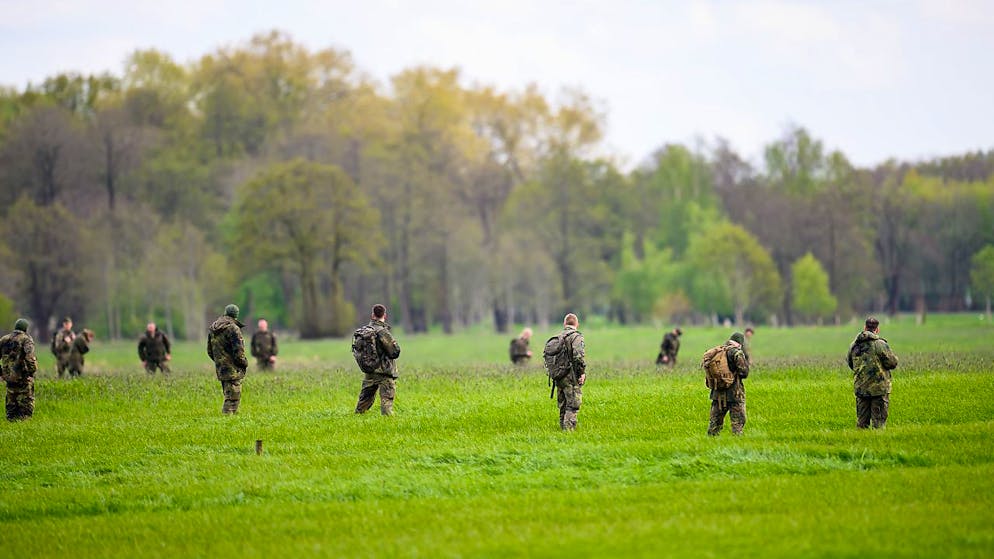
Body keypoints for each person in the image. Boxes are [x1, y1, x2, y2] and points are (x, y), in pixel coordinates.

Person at [847, 316, 899, 429]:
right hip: (879, 390)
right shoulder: (880, 345)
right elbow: (892, 363)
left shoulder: (853, 345)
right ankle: (878, 444)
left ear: (865, 327)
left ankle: (859, 444)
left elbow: (851, 364)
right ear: (877, 329)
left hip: (861, 389)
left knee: (861, 424)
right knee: (879, 424)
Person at [354, 304, 401, 416]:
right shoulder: (382, 332)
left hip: (369, 371)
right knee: (386, 402)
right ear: (384, 315)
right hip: (384, 372)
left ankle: (356, 421)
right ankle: (388, 424)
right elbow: (395, 352)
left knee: (363, 403)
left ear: (372, 315)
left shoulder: (365, 331)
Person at [207, 304, 249, 415]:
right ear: (236, 315)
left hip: (221, 367)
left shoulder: (213, 328)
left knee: (228, 394)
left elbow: (209, 350)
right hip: (232, 368)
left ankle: (231, 420)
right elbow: (238, 351)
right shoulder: (233, 328)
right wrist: (244, 363)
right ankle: (226, 420)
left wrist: (220, 361)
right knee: (233, 398)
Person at [707, 332, 750, 436]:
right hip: (734, 393)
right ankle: (738, 444)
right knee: (737, 424)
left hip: (718, 393)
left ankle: (710, 443)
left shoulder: (718, 352)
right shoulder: (736, 353)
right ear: (740, 344)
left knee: (714, 424)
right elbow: (744, 372)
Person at [553, 313, 586, 431]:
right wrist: (581, 373)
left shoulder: (558, 337)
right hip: (570, 376)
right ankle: (568, 433)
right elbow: (578, 357)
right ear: (577, 324)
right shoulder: (576, 337)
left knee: (563, 405)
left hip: (558, 376)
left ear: (564, 324)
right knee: (572, 405)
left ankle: (562, 430)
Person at [1, 318, 38, 421]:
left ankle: (12, 428)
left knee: (11, 412)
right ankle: (24, 430)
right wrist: (32, 371)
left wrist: (1, 373)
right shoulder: (26, 339)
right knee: (26, 411)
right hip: (23, 378)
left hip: (9, 379)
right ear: (26, 328)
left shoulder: (4, 339)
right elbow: (29, 357)